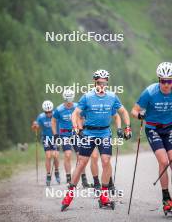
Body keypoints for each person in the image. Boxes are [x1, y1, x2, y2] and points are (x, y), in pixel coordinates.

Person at [61, 69, 132, 211]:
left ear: (107, 83)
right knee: (82, 163)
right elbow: (75, 113)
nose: (102, 86)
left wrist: (127, 127)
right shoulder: (87, 97)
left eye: (104, 83)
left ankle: (104, 196)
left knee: (106, 161)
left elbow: (123, 112)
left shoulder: (112, 96)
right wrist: (76, 127)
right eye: (99, 83)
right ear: (95, 82)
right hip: (88, 133)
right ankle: (69, 194)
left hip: (105, 133)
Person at [131, 62, 172, 213]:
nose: (166, 84)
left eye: (170, 81)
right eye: (163, 81)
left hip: (169, 129)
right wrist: (140, 115)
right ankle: (166, 198)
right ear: (159, 79)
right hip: (153, 129)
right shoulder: (150, 92)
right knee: (163, 161)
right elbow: (134, 110)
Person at [51, 89, 90, 187]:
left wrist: (82, 127)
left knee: (80, 156)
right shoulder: (59, 109)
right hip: (64, 134)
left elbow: (83, 117)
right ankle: (69, 177)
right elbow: (53, 121)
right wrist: (55, 134)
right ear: (64, 99)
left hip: (75, 133)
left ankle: (84, 179)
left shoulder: (77, 106)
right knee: (68, 154)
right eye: (67, 102)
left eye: (70, 101)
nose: (69, 104)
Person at [32, 100, 60, 186]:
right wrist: (35, 126)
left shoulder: (56, 115)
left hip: (55, 137)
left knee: (55, 155)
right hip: (46, 138)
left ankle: (56, 171)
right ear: (44, 111)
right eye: (46, 112)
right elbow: (35, 126)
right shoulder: (41, 117)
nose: (48, 113)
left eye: (50, 112)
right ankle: (48, 175)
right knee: (48, 155)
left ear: (52, 110)